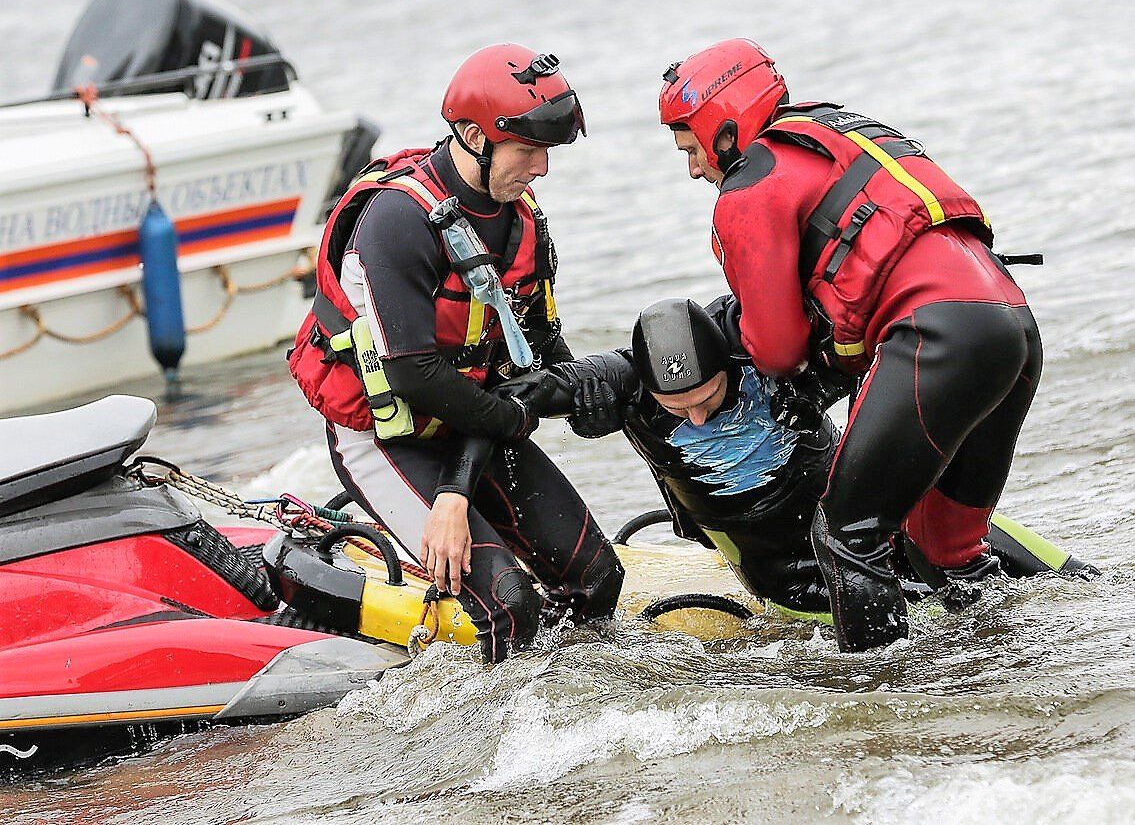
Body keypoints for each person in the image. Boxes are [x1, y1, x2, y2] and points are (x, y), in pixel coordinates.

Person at [656, 39, 1045, 652]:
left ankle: (881, 706)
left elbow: (778, 349)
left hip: (939, 336)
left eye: (690, 147)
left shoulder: (749, 186)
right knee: (948, 548)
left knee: (846, 534)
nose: (693, 168)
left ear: (723, 127)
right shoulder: (836, 131)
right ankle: (1008, 664)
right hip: (1014, 331)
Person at [286, 44, 623, 663]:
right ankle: (498, 741)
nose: (542, 168)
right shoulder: (395, 220)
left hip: (474, 425)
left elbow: (535, 358)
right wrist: (457, 491)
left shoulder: (523, 222)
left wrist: (591, 392)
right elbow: (414, 374)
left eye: (548, 151)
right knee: (510, 606)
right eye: (529, 150)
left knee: (599, 580)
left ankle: (579, 704)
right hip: (389, 439)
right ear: (473, 135)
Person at [502, 297, 1090, 624]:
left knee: (1072, 586)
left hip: (869, 519)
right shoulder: (619, 383)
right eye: (676, 409)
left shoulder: (764, 340)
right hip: (782, 570)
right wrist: (451, 490)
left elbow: (887, 334)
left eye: (707, 398)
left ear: (730, 364)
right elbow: (519, 398)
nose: (698, 418)